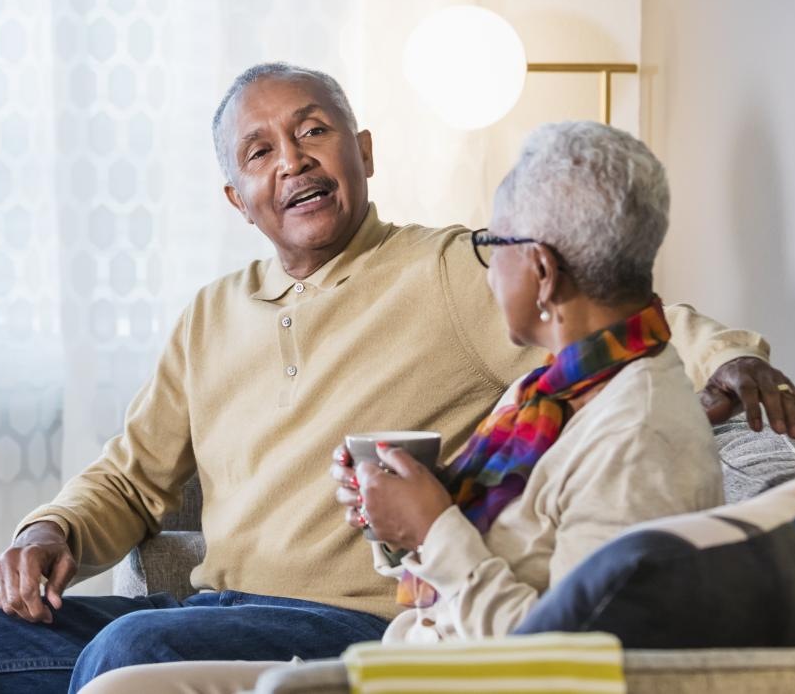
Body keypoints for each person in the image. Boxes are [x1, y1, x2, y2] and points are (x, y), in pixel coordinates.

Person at [0, 63, 795, 694]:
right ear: (236, 198)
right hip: (213, 613)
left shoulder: (454, 270)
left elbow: (618, 305)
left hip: (350, 624)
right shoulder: (210, 313)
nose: (292, 160)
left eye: (314, 132)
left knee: (135, 648)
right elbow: (130, 477)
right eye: (261, 152)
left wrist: (733, 354)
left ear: (362, 153)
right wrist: (48, 530)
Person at [80, 121, 723, 693]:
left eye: (493, 247)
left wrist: (433, 528)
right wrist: (398, 519)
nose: (487, 269)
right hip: (412, 654)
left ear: (543, 273)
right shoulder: (558, 393)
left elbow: (572, 667)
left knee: (125, 668)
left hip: (435, 673)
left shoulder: (634, 433)